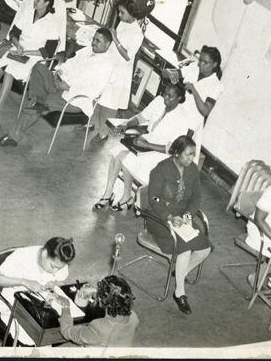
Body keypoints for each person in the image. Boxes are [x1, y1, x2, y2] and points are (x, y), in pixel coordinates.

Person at [0, 28, 116, 148]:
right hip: (60, 84)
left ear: (107, 44)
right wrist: (60, 71)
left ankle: (12, 136)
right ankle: (38, 100)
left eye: (98, 41)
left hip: (74, 99)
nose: (93, 43)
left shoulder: (106, 65)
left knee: (35, 105)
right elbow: (68, 64)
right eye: (93, 39)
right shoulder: (87, 51)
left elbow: (94, 91)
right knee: (39, 67)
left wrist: (68, 88)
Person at [94, 83, 194, 212]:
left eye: (170, 96)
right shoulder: (158, 101)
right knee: (116, 153)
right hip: (147, 141)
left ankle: (127, 196)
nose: (165, 98)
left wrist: (146, 145)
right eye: (165, 94)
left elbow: (173, 150)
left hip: (162, 154)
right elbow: (141, 117)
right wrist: (126, 124)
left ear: (179, 98)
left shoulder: (182, 118)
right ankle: (108, 195)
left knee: (126, 159)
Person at [142, 136, 213, 314]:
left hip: (183, 217)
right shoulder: (161, 170)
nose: (192, 158)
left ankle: (180, 272)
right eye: (188, 155)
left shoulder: (193, 170)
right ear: (176, 153)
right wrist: (170, 216)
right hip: (160, 217)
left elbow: (196, 196)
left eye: (194, 155)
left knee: (205, 249)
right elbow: (154, 198)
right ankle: (179, 292)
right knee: (185, 249)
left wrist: (188, 214)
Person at [0, 0, 59, 125]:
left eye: (38, 0)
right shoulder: (28, 13)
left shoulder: (52, 23)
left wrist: (26, 52)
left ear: (47, 3)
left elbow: (48, 52)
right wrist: (18, 46)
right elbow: (13, 34)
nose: (34, 2)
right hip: (18, 51)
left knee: (9, 72)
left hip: (35, 59)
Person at [0, 237, 75, 345]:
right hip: (14, 305)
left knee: (60, 327)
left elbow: (60, 280)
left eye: (59, 268)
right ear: (44, 253)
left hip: (41, 304)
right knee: (36, 337)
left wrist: (54, 284)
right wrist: (24, 282)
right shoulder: (22, 256)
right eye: (53, 266)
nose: (55, 271)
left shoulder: (58, 261)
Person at [90, 0, 145, 143]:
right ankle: (91, 124)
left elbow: (127, 56)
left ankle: (103, 133)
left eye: (122, 12)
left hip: (121, 70)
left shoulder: (137, 33)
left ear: (131, 12)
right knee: (99, 96)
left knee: (109, 103)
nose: (119, 15)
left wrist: (115, 38)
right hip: (110, 64)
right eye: (119, 12)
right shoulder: (123, 23)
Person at [163, 45, 223, 156]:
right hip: (175, 113)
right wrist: (171, 75)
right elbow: (165, 72)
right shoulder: (192, 68)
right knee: (160, 141)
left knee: (172, 152)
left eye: (206, 62)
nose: (201, 64)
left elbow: (205, 111)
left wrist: (195, 92)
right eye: (200, 60)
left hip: (190, 124)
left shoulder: (216, 85)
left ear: (214, 64)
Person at [57, 275, 138, 347]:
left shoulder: (99, 328)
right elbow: (117, 293)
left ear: (101, 299)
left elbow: (67, 331)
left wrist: (65, 305)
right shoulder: (134, 317)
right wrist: (95, 290)